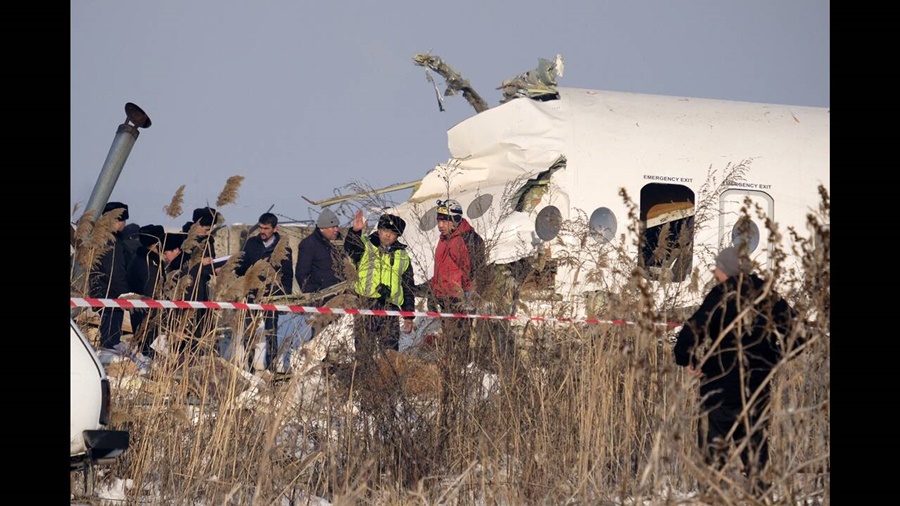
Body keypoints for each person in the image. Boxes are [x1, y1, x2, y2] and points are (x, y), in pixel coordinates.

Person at [673, 246, 804, 493]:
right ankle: (761, 497)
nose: (715, 272)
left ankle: (713, 497)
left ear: (729, 270)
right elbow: (799, 336)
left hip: (719, 388)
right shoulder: (768, 295)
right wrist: (773, 358)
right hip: (756, 389)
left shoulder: (720, 294)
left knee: (713, 457)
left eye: (718, 268)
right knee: (756, 453)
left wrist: (688, 359)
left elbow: (693, 329)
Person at [344, 210, 416, 365]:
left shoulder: (403, 256)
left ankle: (386, 383)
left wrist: (409, 314)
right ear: (378, 230)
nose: (387, 235)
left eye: (392, 232)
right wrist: (355, 232)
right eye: (384, 230)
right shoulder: (366, 245)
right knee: (364, 351)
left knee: (390, 354)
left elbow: (408, 286)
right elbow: (350, 249)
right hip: (366, 304)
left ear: (398, 235)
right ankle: (364, 383)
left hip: (390, 308)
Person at [234, 212, 294, 370]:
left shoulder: (283, 247)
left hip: (271, 296)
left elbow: (287, 274)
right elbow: (243, 266)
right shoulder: (251, 243)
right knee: (249, 331)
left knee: (270, 332)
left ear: (275, 228)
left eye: (266, 228)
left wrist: (284, 295)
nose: (262, 231)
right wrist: (233, 268)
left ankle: (271, 365)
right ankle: (249, 366)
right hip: (252, 294)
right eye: (260, 228)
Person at [125, 225, 185, 364]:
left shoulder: (143, 259)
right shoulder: (149, 263)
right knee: (150, 353)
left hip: (145, 314)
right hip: (148, 316)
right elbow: (152, 293)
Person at [89, 201, 132, 364]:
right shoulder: (112, 243)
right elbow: (116, 272)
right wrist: (125, 294)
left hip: (100, 291)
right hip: (110, 294)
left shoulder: (98, 240)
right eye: (122, 220)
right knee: (111, 340)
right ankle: (108, 363)